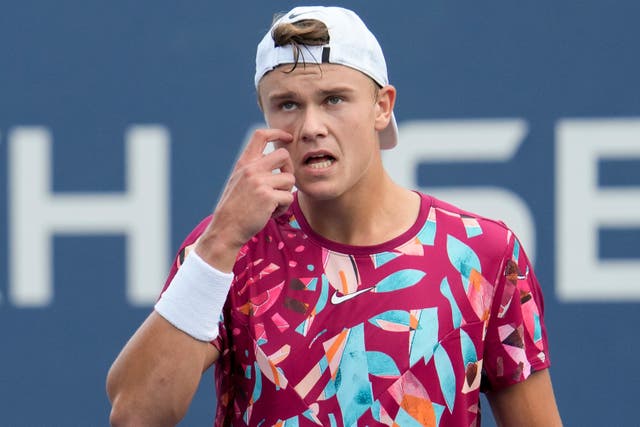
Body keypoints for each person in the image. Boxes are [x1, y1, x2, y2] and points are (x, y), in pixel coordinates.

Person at [107, 6, 562, 426]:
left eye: (333, 100)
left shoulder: (483, 252)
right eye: (287, 104)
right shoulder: (228, 249)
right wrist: (221, 240)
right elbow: (133, 415)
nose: (310, 127)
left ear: (382, 107)